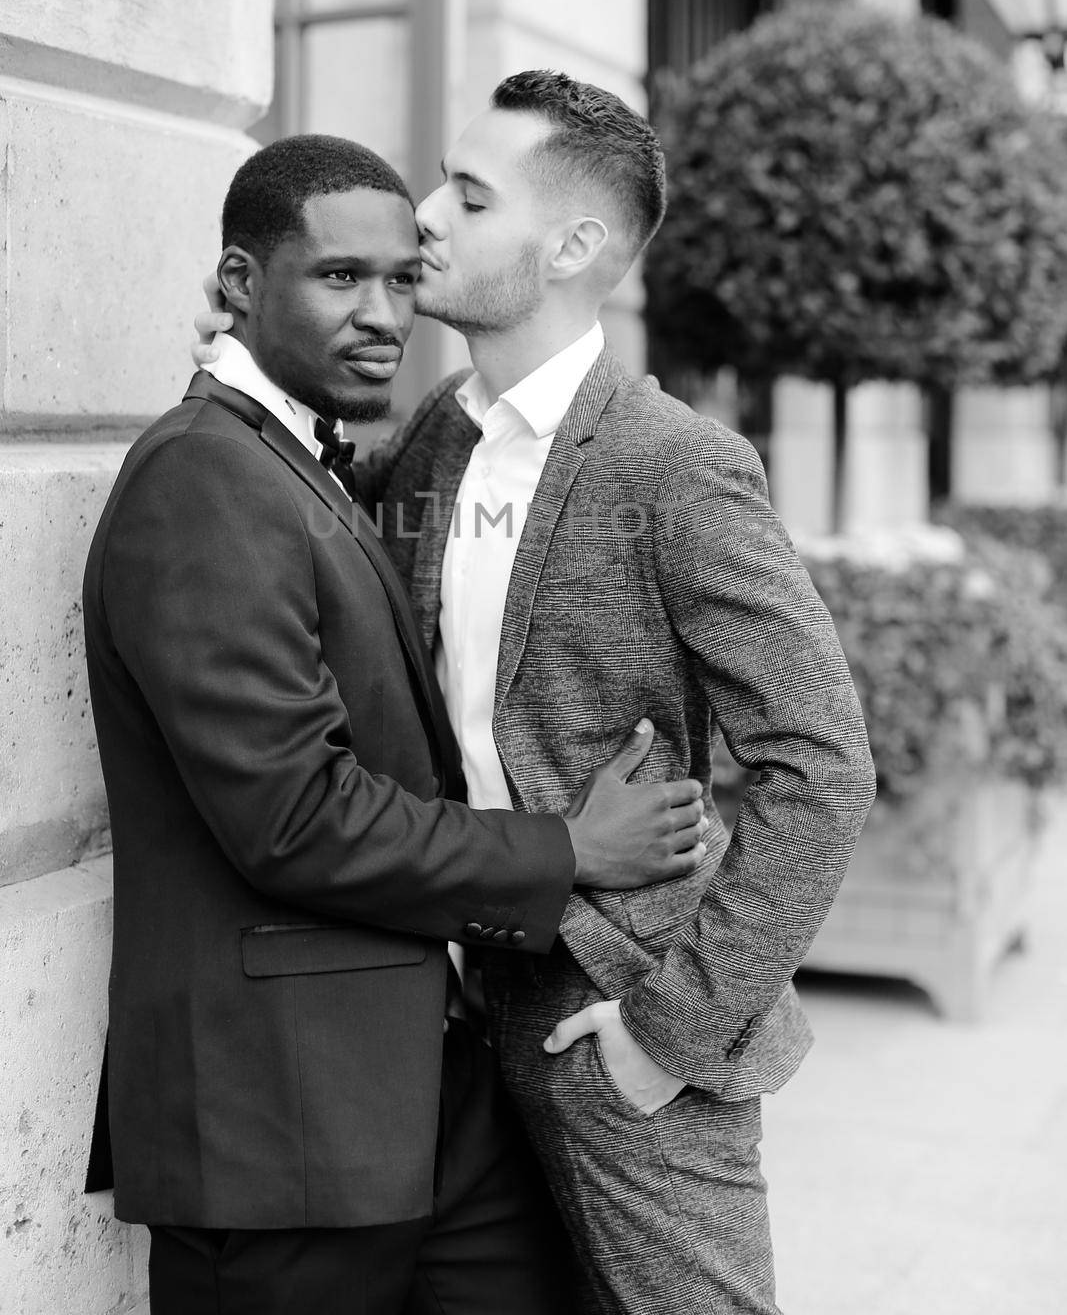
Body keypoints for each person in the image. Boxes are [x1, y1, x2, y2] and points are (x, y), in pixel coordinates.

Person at [193, 80, 877, 1315]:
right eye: (437, 180)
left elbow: (819, 764)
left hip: (622, 1026)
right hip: (450, 1020)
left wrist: (668, 1031)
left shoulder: (675, 465)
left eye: (468, 194)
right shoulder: (428, 444)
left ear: (571, 249)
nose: (422, 219)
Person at [85, 134, 711, 1315]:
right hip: (281, 1125)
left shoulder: (303, 460)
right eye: (336, 279)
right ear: (234, 285)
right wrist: (571, 850)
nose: (381, 313)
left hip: (421, 1085)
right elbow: (294, 816)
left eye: (397, 279)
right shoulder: (199, 479)